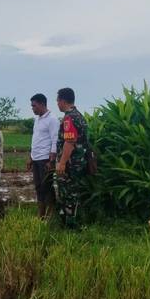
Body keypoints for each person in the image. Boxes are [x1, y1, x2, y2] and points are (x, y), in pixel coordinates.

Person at [54, 87, 89, 229]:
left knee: (67, 193)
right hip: (78, 162)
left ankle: (70, 225)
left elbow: (70, 141)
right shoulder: (79, 116)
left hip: (70, 163)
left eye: (57, 100)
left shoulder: (69, 118)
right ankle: (70, 222)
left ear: (62, 100)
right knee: (73, 192)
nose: (57, 103)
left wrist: (62, 163)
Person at [26, 93, 58, 218]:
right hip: (36, 158)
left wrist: (52, 161)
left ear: (42, 104)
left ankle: (52, 214)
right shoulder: (37, 119)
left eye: (34, 106)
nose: (32, 108)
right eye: (32, 106)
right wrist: (30, 157)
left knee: (47, 187)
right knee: (39, 187)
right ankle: (41, 214)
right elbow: (35, 140)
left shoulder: (52, 119)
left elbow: (55, 140)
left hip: (46, 159)